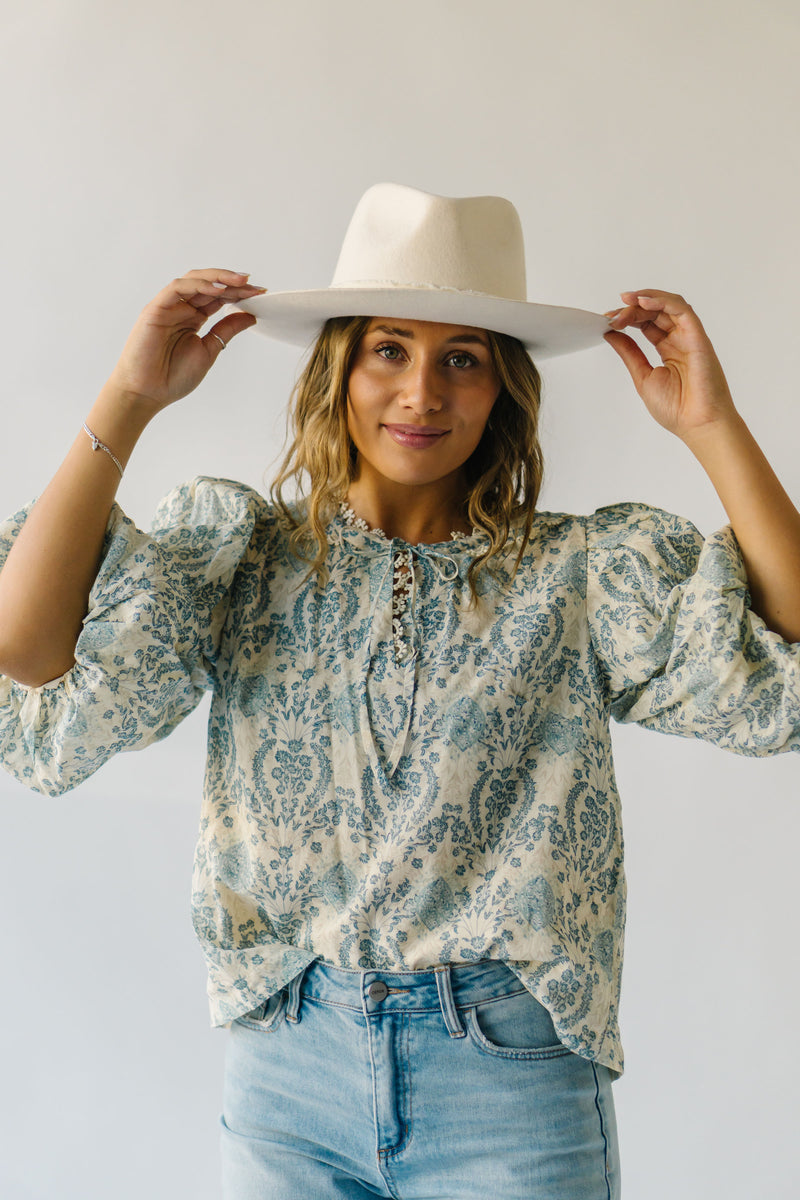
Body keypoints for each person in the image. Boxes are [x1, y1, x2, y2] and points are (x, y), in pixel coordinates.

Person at [0, 182, 798, 1200]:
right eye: (388, 349)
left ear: (502, 388)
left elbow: (785, 639)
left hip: (506, 1074)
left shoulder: (579, 573)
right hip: (290, 1071)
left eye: (460, 359)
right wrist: (129, 396)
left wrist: (711, 424)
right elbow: (27, 647)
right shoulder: (241, 559)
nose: (421, 393)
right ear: (338, 368)